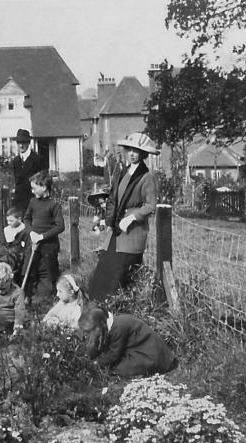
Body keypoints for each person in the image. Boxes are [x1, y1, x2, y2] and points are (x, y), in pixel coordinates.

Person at [88, 133, 158, 302]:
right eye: (130, 150)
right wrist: (108, 220)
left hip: (132, 232)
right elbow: (114, 198)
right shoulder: (123, 172)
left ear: (143, 154)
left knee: (119, 275)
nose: (132, 154)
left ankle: (117, 309)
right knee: (103, 271)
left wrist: (132, 217)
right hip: (116, 231)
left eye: (137, 151)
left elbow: (151, 205)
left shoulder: (146, 176)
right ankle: (98, 307)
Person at [78, 304, 177, 378]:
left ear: (99, 325)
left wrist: (97, 363)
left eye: (89, 331)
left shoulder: (118, 328)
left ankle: (155, 367)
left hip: (151, 353)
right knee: (117, 365)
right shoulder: (107, 327)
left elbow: (114, 354)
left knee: (121, 368)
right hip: (136, 349)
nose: (88, 335)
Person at [22, 171, 65, 302]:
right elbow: (26, 219)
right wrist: (31, 233)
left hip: (48, 247)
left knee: (48, 272)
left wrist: (42, 237)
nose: (32, 190)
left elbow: (60, 226)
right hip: (33, 244)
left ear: (44, 187)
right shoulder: (33, 202)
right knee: (28, 271)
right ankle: (26, 298)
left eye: (34, 187)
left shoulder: (54, 205)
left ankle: (46, 299)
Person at [10, 129, 47, 214]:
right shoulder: (16, 161)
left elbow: (43, 183)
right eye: (19, 143)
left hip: (33, 202)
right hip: (18, 203)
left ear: (29, 143)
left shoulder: (38, 160)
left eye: (23, 142)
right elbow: (17, 182)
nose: (21, 145)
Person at [3, 206, 29, 285]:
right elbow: (8, 243)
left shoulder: (24, 229)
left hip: (22, 253)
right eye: (7, 220)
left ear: (19, 219)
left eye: (11, 221)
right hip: (11, 254)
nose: (9, 223)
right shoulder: (7, 229)